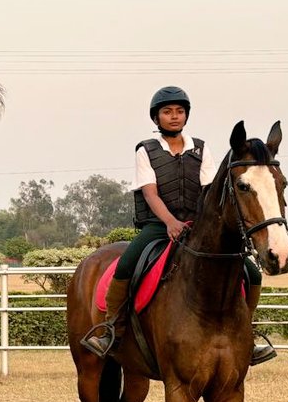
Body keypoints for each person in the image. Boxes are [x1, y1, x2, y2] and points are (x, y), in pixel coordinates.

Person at [81, 87, 273, 365]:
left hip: (197, 225)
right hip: (157, 225)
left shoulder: (201, 148)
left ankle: (248, 334)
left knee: (252, 273)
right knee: (126, 264)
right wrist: (170, 222)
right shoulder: (146, 150)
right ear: (156, 117)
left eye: (179, 111)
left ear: (186, 115)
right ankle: (112, 328)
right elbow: (150, 193)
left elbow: (208, 190)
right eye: (167, 112)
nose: (174, 116)